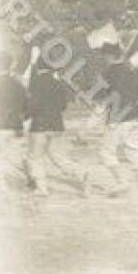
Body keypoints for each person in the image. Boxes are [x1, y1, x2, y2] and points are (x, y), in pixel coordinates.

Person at [85, 43, 138, 197]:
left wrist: (89, 124)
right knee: (132, 152)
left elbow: (104, 100)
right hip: (135, 116)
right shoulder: (130, 71)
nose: (103, 58)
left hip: (117, 118)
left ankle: (122, 182)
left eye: (104, 56)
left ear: (108, 56)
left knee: (106, 153)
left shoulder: (108, 73)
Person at [26, 62, 80, 196]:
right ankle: (81, 172)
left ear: (38, 69)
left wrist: (25, 115)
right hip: (57, 125)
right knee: (57, 156)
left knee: (35, 157)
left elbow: (34, 105)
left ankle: (42, 188)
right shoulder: (58, 83)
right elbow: (63, 105)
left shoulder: (36, 82)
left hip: (40, 125)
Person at [0, 53, 30, 191]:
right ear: (10, 66)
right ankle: (28, 177)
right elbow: (26, 106)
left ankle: (3, 186)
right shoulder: (18, 85)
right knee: (11, 155)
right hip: (15, 126)